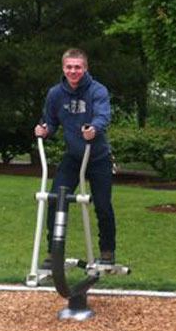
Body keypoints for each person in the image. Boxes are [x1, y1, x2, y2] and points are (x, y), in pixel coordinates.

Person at [34, 48, 116, 267]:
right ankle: (54, 253)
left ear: (85, 68)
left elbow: (102, 115)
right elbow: (50, 121)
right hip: (73, 157)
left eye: (77, 67)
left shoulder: (97, 90)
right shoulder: (55, 94)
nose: (73, 71)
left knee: (102, 205)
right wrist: (44, 130)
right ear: (63, 68)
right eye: (69, 67)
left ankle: (107, 252)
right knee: (54, 198)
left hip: (97, 157)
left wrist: (94, 128)